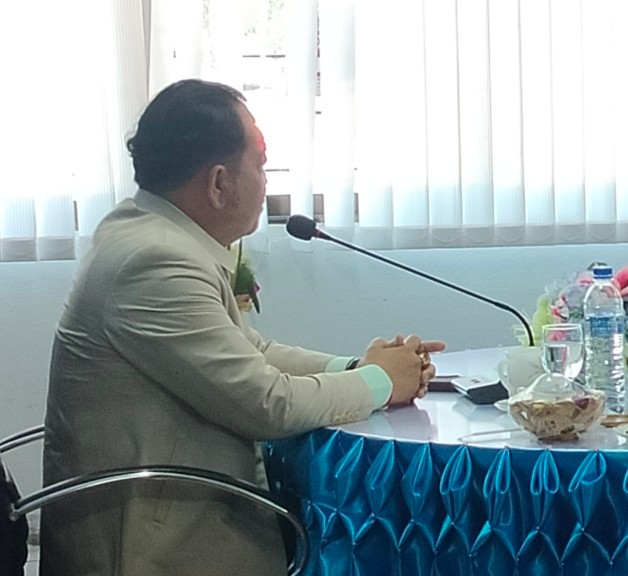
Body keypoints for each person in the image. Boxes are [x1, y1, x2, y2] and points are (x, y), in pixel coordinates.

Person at [40, 79, 445, 576]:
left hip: (181, 505)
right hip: (151, 546)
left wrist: (360, 367)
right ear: (218, 183)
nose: (266, 182)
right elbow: (266, 405)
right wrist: (380, 381)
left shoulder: (148, 229)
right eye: (261, 165)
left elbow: (251, 350)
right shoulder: (155, 263)